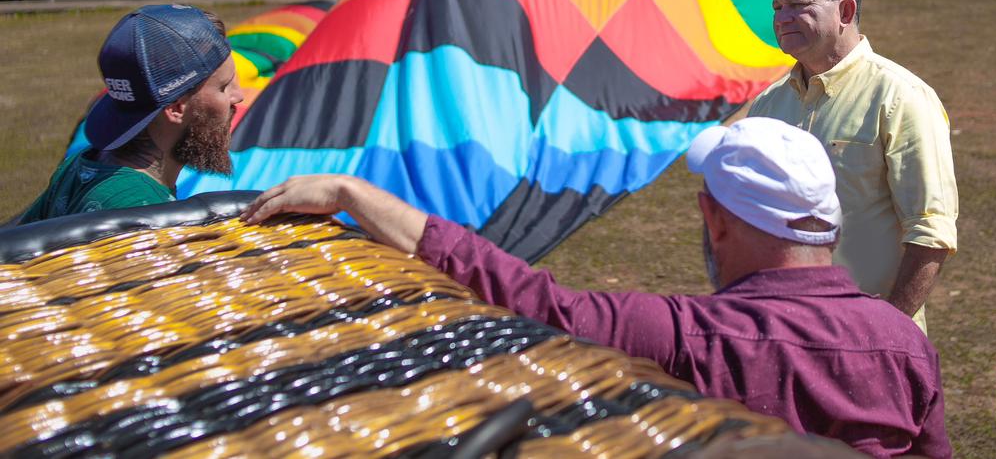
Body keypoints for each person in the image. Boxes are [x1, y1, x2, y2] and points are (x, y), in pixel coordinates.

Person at [241, 117, 953, 457]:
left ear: (717, 220)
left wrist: (353, 194)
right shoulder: (906, 344)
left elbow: (527, 298)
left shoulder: (688, 337)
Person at [747, 0, 958, 333]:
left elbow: (931, 232)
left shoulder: (901, 98)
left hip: (871, 338)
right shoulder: (766, 106)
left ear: (845, 12)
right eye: (778, 7)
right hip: (782, 332)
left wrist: (885, 331)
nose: (781, 18)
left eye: (797, 5)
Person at [17, 4, 244, 223]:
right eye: (224, 87)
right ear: (175, 108)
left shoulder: (81, 165)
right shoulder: (143, 216)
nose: (239, 97)